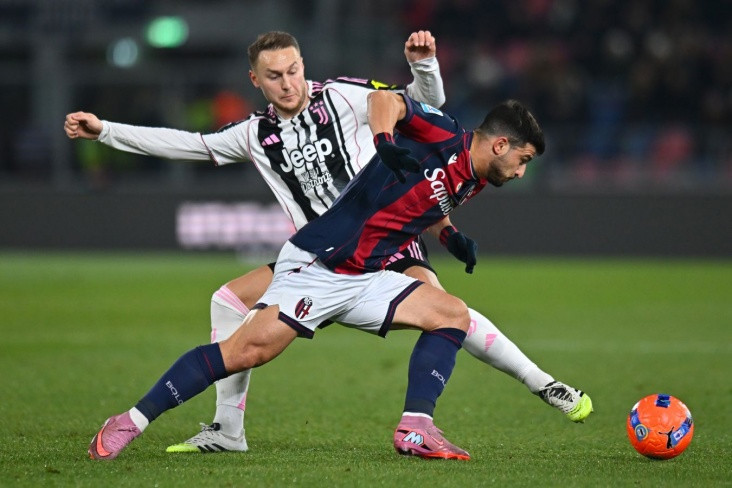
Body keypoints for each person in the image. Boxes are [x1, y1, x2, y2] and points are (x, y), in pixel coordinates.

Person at [66, 30, 592, 454]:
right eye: (275, 75)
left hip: (381, 251)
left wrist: (423, 75)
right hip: (321, 257)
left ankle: (440, 418)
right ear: (256, 81)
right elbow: (189, 144)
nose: (288, 83)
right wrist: (106, 131)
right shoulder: (255, 134)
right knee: (241, 336)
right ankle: (159, 422)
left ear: (304, 66)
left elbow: (412, 110)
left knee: (452, 314)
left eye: (294, 69)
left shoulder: (341, 96)